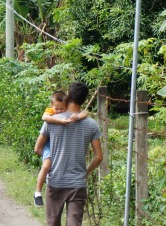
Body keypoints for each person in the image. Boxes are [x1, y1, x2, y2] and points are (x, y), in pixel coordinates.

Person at [34, 82, 103, 226]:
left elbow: (37, 148)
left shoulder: (52, 120)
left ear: (68, 96)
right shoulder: (91, 124)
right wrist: (85, 172)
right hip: (78, 184)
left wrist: (49, 161)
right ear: (84, 100)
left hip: (55, 181)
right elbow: (98, 157)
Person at [34, 90, 89, 207]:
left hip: (58, 144)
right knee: (46, 166)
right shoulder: (50, 112)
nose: (59, 111)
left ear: (67, 105)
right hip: (49, 144)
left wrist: (78, 116)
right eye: (56, 109)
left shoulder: (73, 114)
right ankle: (37, 192)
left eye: (61, 109)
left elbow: (86, 112)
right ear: (52, 106)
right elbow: (45, 117)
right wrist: (60, 121)